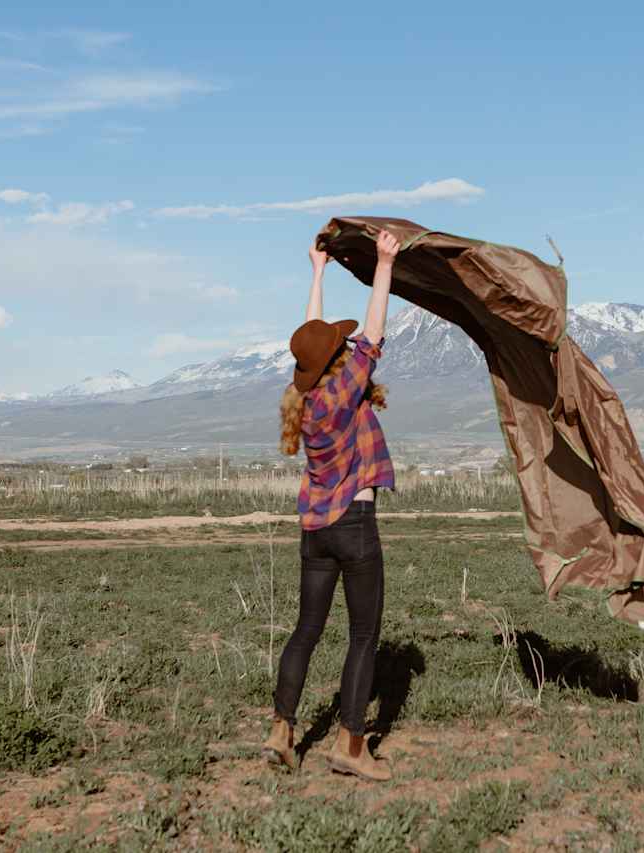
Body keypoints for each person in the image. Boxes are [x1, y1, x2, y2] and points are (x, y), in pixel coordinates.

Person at [263, 230, 401, 780]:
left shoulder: (306, 396)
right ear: (337, 361)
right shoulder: (346, 390)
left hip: (315, 528)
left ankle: (281, 730)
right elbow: (373, 331)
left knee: (306, 630)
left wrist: (318, 273)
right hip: (355, 525)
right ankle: (349, 745)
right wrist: (385, 262)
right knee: (364, 634)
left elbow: (310, 340)